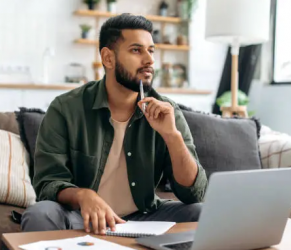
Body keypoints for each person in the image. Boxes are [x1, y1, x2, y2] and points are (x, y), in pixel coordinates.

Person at [21, 13, 207, 235]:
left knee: (203, 213)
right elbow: (47, 184)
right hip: (82, 216)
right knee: (40, 214)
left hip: (145, 215)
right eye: (137, 50)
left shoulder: (167, 111)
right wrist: (83, 196)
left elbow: (194, 194)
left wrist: (172, 136)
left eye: (151, 50)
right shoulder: (65, 109)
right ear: (108, 58)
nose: (149, 60)